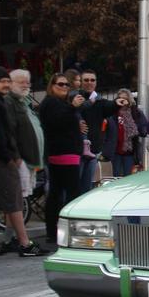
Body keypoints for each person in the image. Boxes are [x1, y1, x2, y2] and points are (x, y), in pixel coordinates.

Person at [0, 67, 44, 257]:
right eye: (3, 81)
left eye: (8, 81)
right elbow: (0, 134)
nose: (6, 85)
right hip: (0, 159)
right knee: (14, 201)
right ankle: (24, 243)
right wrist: (10, 157)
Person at [39, 74, 85, 244]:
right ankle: (68, 230)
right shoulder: (51, 103)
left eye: (67, 84)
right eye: (60, 84)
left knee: (57, 194)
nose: (65, 87)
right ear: (52, 86)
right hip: (63, 153)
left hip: (65, 153)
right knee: (70, 194)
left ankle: (55, 231)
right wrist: (72, 108)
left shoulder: (59, 104)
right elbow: (58, 122)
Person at [5, 69, 44, 200]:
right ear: (11, 83)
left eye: (28, 82)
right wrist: (17, 157)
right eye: (22, 82)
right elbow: (10, 131)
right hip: (20, 159)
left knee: (23, 197)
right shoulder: (9, 101)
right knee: (16, 198)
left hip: (30, 159)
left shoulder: (23, 102)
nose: (26, 85)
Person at [77, 70, 117, 193]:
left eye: (92, 80)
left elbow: (111, 126)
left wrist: (118, 103)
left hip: (93, 151)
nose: (89, 82)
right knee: (74, 187)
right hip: (76, 151)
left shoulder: (100, 101)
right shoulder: (74, 98)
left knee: (87, 187)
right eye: (86, 80)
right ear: (80, 82)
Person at [102, 88, 148, 177]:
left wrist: (134, 126)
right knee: (115, 178)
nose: (123, 101)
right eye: (120, 98)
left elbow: (143, 131)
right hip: (115, 151)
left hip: (130, 152)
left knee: (128, 178)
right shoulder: (112, 112)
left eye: (125, 99)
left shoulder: (135, 112)